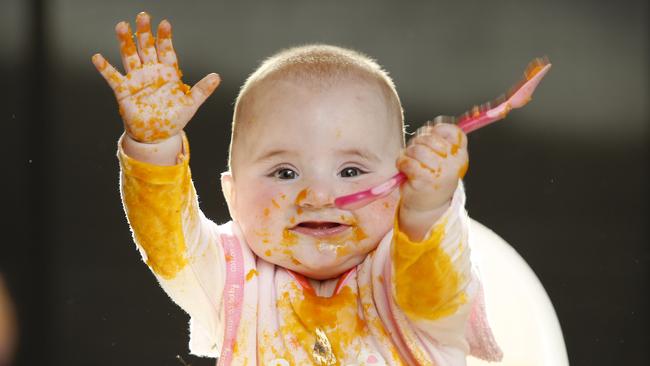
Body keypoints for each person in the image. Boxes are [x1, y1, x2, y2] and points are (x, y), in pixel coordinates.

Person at [92, 12, 501, 365]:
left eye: (352, 170)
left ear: (399, 187)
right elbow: (171, 246)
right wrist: (153, 147)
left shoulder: (406, 273)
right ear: (233, 198)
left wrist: (427, 205)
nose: (319, 196)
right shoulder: (232, 280)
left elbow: (434, 283)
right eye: (285, 173)